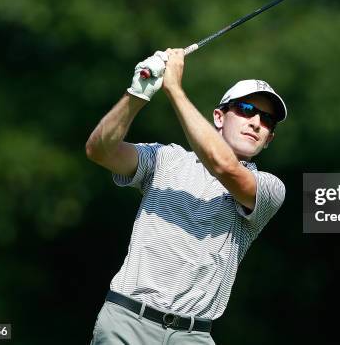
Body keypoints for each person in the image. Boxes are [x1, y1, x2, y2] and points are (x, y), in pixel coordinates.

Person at [85, 48, 287, 344]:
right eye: (246, 110)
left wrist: (175, 90)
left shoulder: (269, 188)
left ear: (269, 139)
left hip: (193, 335)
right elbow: (99, 151)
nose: (256, 122)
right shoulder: (165, 158)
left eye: (267, 120)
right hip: (127, 323)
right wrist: (136, 95)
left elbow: (223, 167)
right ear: (219, 117)